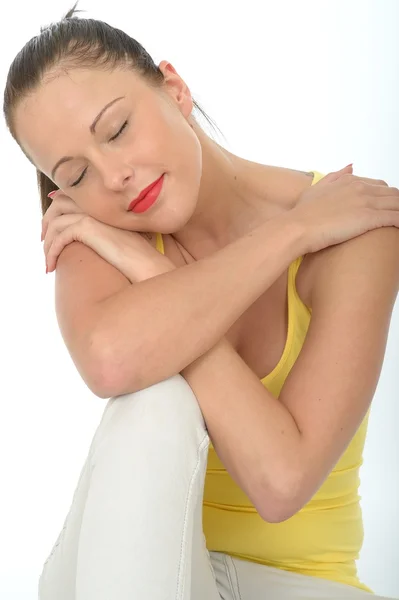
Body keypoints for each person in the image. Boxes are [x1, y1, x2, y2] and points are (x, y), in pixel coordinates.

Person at [3, 3, 399, 600]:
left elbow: (281, 481)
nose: (113, 177)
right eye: (75, 174)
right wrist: (288, 234)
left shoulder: (354, 230)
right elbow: (111, 360)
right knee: (153, 398)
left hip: (299, 585)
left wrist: (151, 277)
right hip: (120, 565)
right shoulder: (94, 232)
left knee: (159, 367)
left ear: (175, 89)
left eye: (116, 130)